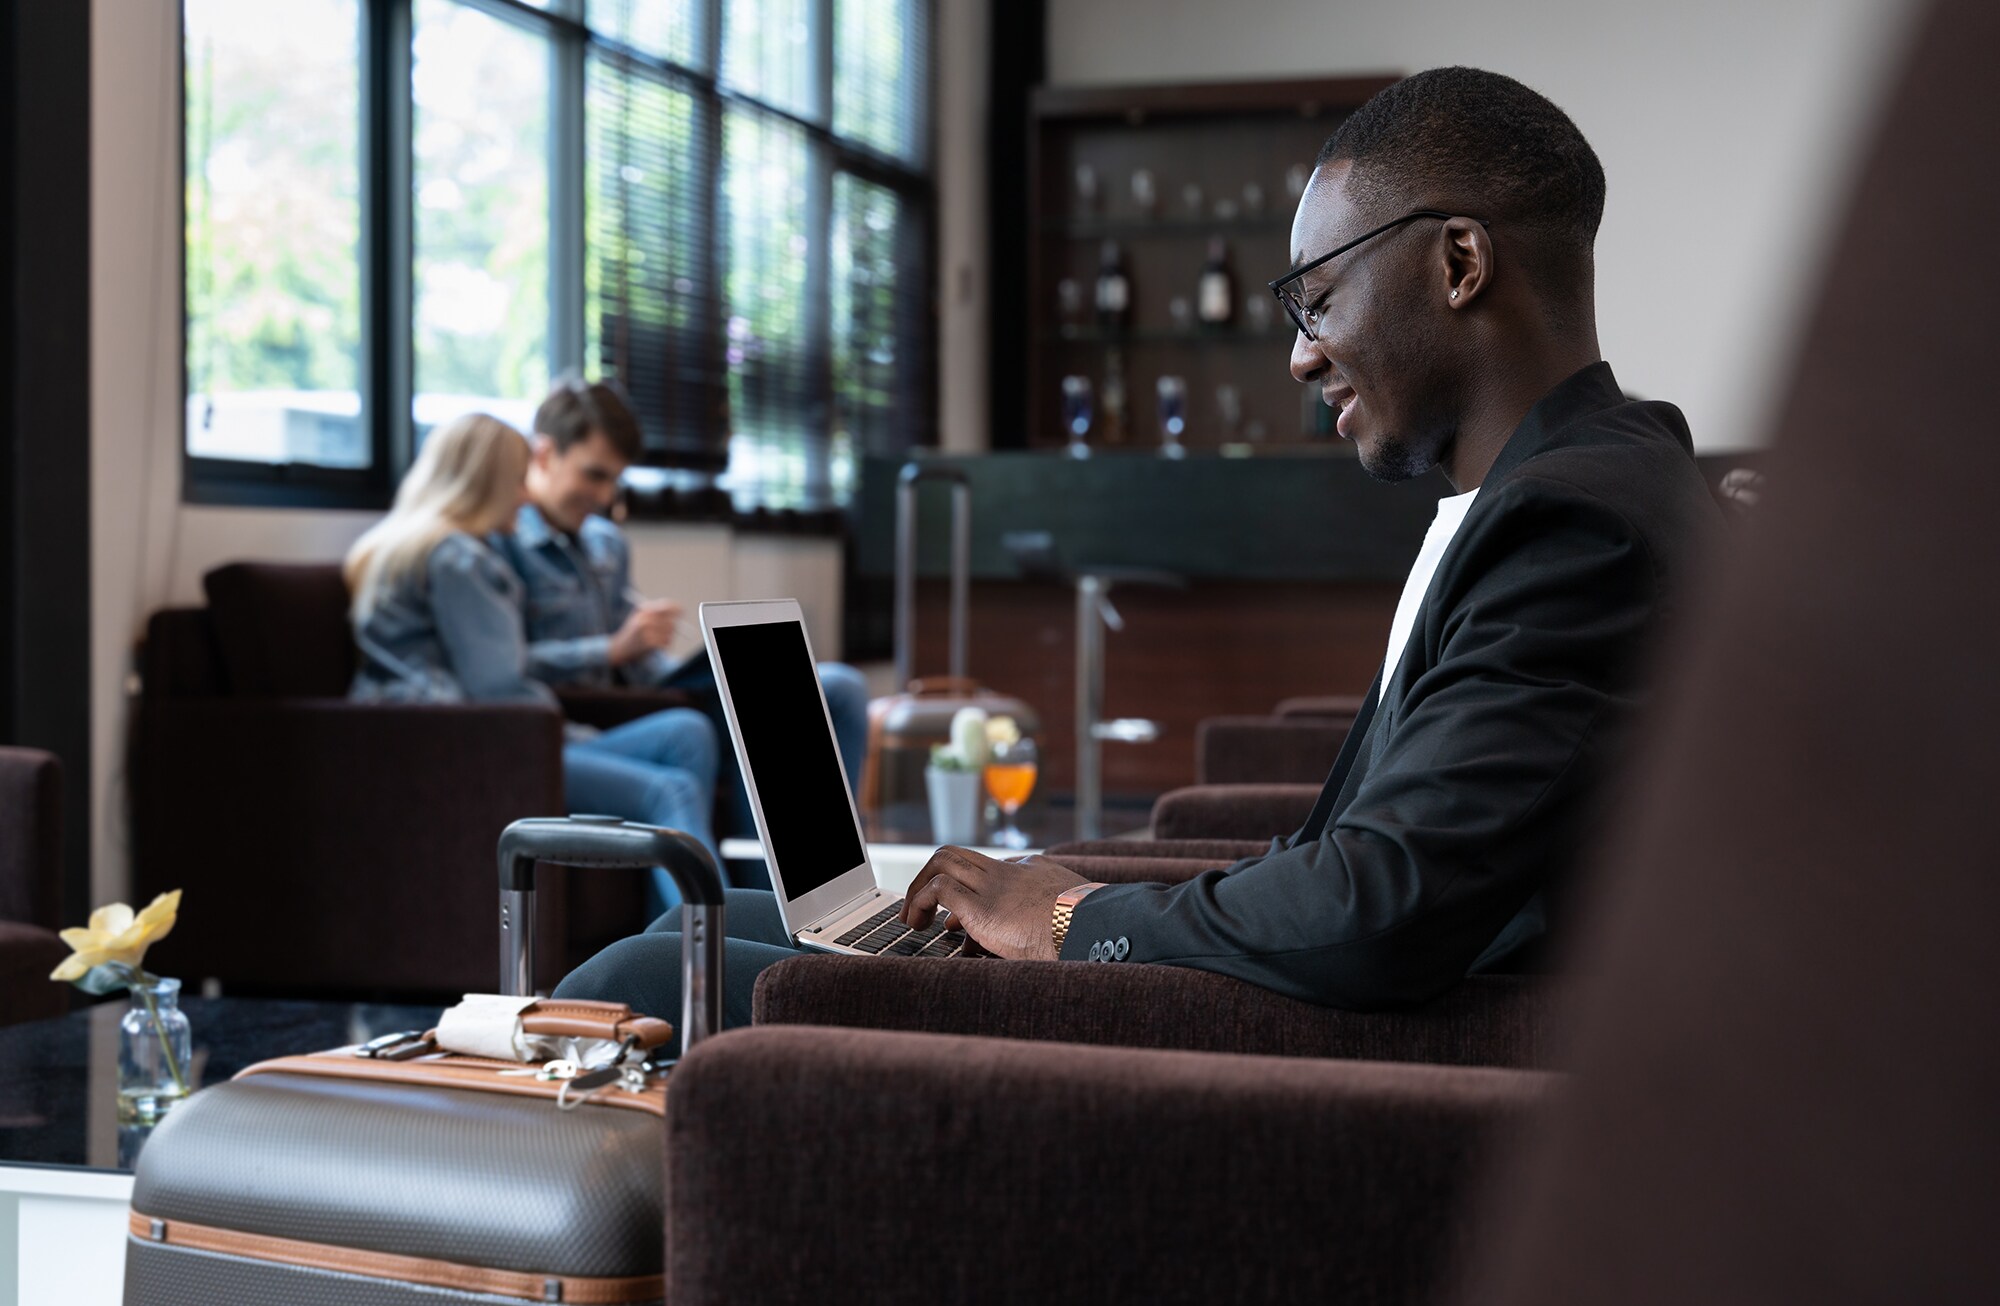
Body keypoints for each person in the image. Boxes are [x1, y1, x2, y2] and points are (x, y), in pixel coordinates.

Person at [555, 67, 1721, 1027]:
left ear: (1457, 265)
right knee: (690, 927)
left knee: (645, 979)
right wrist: (1083, 897)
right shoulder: (1565, 491)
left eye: (1317, 298)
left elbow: (1379, 906)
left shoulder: (1573, 525)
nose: (1301, 356)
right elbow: (1380, 853)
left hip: (1298, 1065)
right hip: (1301, 1008)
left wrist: (1066, 923)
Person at [490, 379, 871, 876]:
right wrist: (610, 650)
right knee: (757, 709)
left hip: (648, 693)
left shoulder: (606, 544)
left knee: (839, 686)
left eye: (614, 481)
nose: (604, 496)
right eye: (593, 475)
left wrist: (656, 647)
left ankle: (837, 881)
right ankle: (763, 901)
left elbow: (636, 660)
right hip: (599, 720)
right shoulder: (503, 542)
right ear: (544, 454)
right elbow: (506, 668)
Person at [346, 412, 721, 916]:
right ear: (487, 483)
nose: (526, 497)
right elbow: (500, 686)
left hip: (463, 737)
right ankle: (719, 954)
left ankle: (668, 947)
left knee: (686, 732)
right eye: (518, 481)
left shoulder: (395, 547)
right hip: (494, 746)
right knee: (670, 788)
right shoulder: (460, 560)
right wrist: (575, 733)